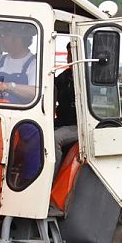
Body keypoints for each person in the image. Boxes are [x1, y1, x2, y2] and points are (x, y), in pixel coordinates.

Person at [53, 43, 78, 177]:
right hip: (63, 121)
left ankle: (50, 179)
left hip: (80, 125)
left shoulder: (90, 77)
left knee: (55, 138)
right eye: (68, 53)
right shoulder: (62, 78)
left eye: (73, 53)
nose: (70, 57)